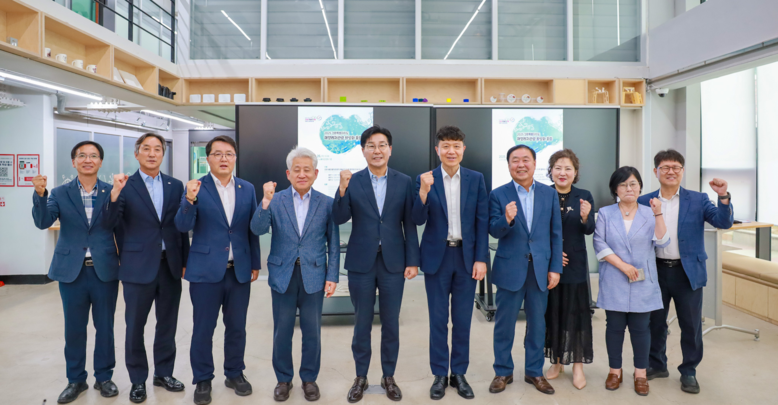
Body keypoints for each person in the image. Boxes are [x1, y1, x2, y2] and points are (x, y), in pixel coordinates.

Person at [331, 125, 420, 403]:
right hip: (361, 262)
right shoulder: (353, 181)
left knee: (391, 322)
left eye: (382, 145)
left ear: (390, 150)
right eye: (371, 145)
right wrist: (341, 190)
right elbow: (339, 218)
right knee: (362, 322)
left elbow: (410, 224)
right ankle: (360, 377)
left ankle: (388, 376)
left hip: (394, 262)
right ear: (363, 150)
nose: (377, 150)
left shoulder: (404, 181)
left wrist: (412, 260)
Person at [31, 141, 121, 404]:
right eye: (82, 155)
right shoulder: (59, 193)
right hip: (72, 271)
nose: (87, 160)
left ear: (100, 162)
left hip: (105, 270)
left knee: (105, 327)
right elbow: (43, 222)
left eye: (93, 156)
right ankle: (76, 379)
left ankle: (104, 377)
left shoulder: (112, 191)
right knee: (74, 329)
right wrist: (40, 194)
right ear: (73, 162)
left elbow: (119, 225)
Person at [174, 135, 261, 405]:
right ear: (208, 158)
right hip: (205, 271)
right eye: (218, 154)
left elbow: (251, 229)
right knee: (203, 328)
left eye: (229, 154)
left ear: (235, 158)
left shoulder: (247, 188)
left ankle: (234, 373)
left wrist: (255, 262)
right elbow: (182, 226)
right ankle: (202, 378)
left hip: (239, 270)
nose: (224, 158)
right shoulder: (196, 187)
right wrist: (189, 199)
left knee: (237, 327)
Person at [250, 147, 340, 402]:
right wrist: (265, 201)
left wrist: (332, 276)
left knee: (312, 332)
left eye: (307, 170)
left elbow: (333, 243)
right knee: (282, 331)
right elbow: (257, 228)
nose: (302, 174)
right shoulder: (275, 200)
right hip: (282, 275)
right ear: (288, 174)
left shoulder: (327, 203)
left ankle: (309, 379)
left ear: (316, 173)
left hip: (314, 275)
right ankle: (283, 379)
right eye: (296, 170)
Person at [639, 149, 733, 394]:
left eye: (676, 167)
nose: (671, 171)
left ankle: (689, 370)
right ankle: (657, 364)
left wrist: (723, 197)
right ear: (656, 171)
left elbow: (723, 222)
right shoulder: (644, 200)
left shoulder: (698, 199)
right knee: (655, 323)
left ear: (682, 171)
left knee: (690, 326)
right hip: (656, 271)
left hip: (687, 272)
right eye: (665, 167)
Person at [108, 133, 189, 403]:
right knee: (135, 326)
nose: (152, 154)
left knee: (167, 324)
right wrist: (114, 194)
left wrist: (185, 261)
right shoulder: (125, 185)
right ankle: (137, 379)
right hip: (137, 267)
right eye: (146, 149)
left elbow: (180, 228)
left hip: (170, 266)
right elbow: (110, 223)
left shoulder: (175, 185)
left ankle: (163, 373)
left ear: (163, 154)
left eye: (157, 149)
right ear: (137, 154)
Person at [412, 126, 489, 400]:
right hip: (438, 258)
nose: (451, 151)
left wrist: (481, 258)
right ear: (438, 150)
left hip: (467, 258)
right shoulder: (425, 179)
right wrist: (423, 192)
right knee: (438, 320)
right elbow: (417, 219)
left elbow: (482, 221)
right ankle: (439, 375)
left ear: (463, 149)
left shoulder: (476, 179)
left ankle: (458, 373)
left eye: (456, 146)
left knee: (462, 320)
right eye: (446, 146)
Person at [488, 145, 563, 396]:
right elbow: (493, 230)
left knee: (537, 324)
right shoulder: (498, 194)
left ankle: (534, 371)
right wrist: (506, 219)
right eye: (515, 160)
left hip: (540, 269)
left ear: (534, 163)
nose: (521, 164)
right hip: (510, 269)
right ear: (508, 164)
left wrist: (555, 268)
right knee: (504, 324)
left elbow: (555, 234)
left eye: (525, 160)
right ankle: (502, 371)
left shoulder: (549, 194)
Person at [594, 166, 668, 396]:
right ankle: (614, 371)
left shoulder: (650, 212)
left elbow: (662, 241)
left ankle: (640, 374)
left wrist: (658, 213)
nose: (629, 188)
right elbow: (599, 243)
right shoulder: (605, 213)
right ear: (615, 189)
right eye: (623, 184)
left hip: (642, 281)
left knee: (641, 329)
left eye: (633, 183)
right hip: (614, 277)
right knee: (614, 328)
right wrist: (623, 266)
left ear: (640, 187)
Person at [542, 149, 595, 390]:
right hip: (549, 265)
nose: (562, 172)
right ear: (551, 171)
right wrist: (552, 254)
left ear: (575, 172)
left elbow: (589, 230)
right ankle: (556, 362)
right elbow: (537, 229)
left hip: (575, 265)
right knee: (553, 313)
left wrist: (585, 217)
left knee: (576, 315)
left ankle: (577, 366)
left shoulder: (584, 196)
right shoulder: (543, 193)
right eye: (558, 168)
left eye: (568, 168)